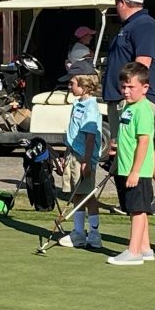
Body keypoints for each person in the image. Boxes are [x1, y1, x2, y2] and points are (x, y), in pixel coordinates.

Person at [101, 0, 155, 215]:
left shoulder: (143, 25)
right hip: (122, 96)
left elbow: (143, 62)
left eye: (117, 2)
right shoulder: (130, 26)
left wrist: (134, 97)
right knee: (126, 146)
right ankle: (131, 197)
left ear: (123, 3)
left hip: (135, 97)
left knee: (137, 142)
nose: (116, 7)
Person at [107, 62, 155, 266]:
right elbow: (128, 135)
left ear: (144, 87)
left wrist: (135, 171)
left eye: (131, 87)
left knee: (137, 209)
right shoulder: (127, 107)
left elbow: (144, 141)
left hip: (139, 170)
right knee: (135, 208)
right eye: (124, 87)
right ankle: (144, 247)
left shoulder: (143, 109)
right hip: (124, 166)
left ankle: (133, 251)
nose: (126, 91)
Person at [57, 62, 103, 250]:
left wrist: (86, 161)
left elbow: (91, 137)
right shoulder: (78, 104)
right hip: (73, 155)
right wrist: (65, 155)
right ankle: (78, 232)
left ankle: (94, 234)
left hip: (84, 158)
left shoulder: (91, 107)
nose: (69, 86)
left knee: (87, 196)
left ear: (84, 85)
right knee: (76, 195)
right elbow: (73, 133)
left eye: (72, 83)